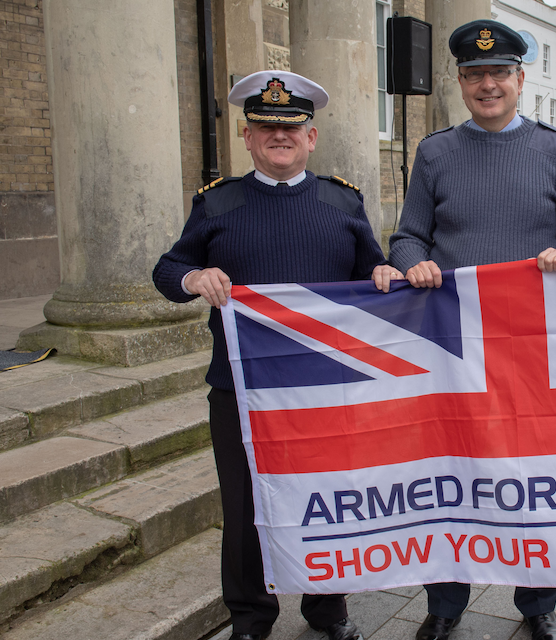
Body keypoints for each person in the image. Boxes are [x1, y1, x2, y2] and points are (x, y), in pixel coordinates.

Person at [371, 19, 556, 640]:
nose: (487, 84)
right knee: (450, 471)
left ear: (521, 79)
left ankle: (537, 604)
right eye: (474, 75)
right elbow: (410, 235)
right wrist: (409, 262)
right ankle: (444, 606)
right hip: (453, 346)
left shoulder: (555, 150)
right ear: (459, 82)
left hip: (533, 348)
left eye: (499, 72)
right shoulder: (436, 152)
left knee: (536, 475)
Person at [153, 70, 382, 640]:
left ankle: (328, 611)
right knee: (245, 508)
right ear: (247, 136)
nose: (279, 137)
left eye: (292, 128)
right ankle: (252, 620)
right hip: (241, 387)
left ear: (312, 137)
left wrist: (383, 274)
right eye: (264, 128)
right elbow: (167, 269)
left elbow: (371, 271)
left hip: (324, 385)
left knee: (328, 500)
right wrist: (194, 277)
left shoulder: (343, 199)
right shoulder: (217, 202)